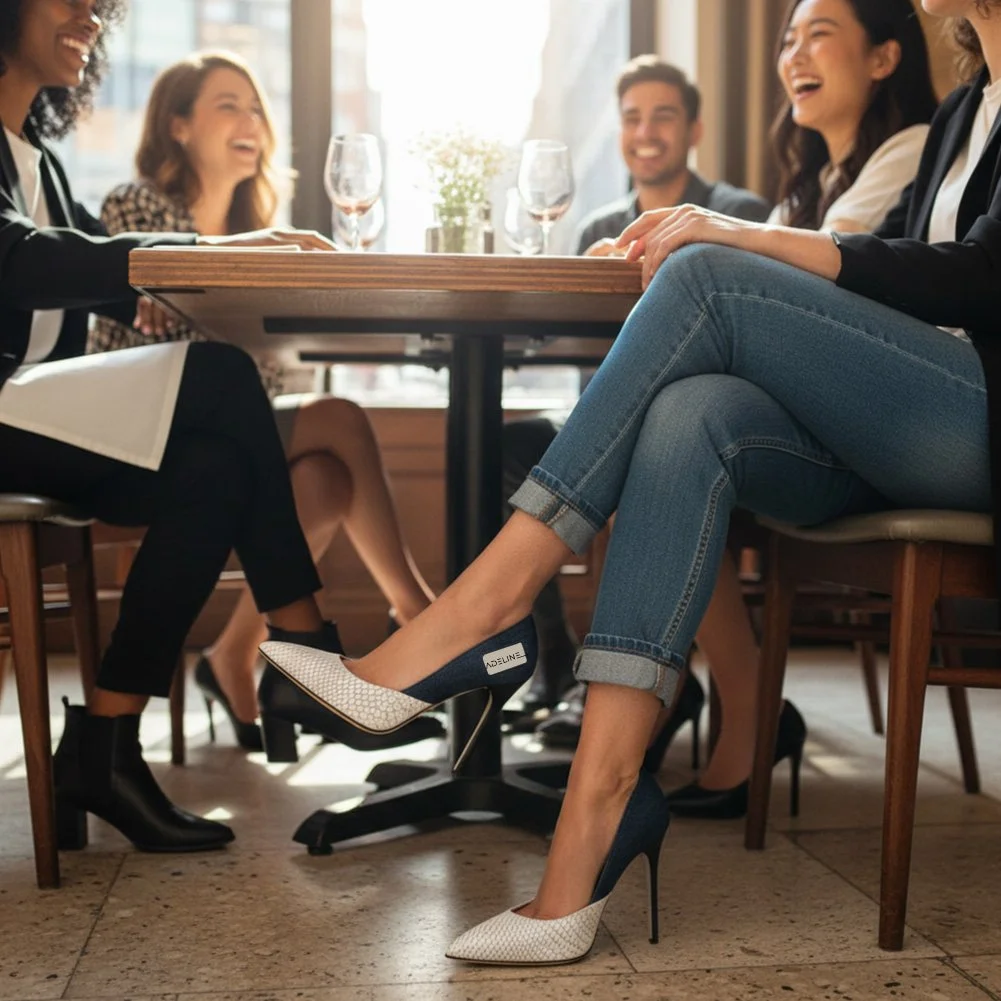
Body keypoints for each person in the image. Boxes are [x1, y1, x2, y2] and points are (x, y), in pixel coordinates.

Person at [261, 0, 1001, 966]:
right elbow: (885, 281)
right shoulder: (963, 108)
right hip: (888, 426)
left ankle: (478, 612)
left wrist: (744, 240)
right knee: (687, 414)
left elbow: (973, 278)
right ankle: (595, 818)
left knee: (703, 271)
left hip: (973, 425)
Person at [536, 1, 939, 794]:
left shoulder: (910, 153)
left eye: (818, 35)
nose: (793, 55)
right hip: (811, 417)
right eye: (787, 39)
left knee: (670, 414)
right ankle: (705, 714)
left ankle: (670, 692)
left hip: (879, 423)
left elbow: (796, 282)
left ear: (884, 57)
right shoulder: (807, 187)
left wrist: (702, 243)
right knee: (673, 425)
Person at [0, 0, 348, 853]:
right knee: (222, 377)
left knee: (213, 470)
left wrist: (167, 286)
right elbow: (17, 259)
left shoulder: (39, 160)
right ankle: (306, 654)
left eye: (99, 4)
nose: (89, 15)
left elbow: (98, 268)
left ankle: (105, 747)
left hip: (29, 417)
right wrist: (209, 254)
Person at [89, 50, 440, 762]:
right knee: (340, 418)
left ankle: (233, 653)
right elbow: (173, 351)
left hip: (228, 433)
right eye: (228, 106)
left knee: (326, 480)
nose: (249, 121)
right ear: (178, 125)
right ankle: (421, 618)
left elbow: (270, 379)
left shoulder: (266, 229)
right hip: (140, 427)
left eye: (255, 108)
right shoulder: (135, 206)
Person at [506, 57, 771, 722]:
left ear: (694, 129)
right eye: (632, 118)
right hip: (607, 416)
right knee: (507, 446)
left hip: (702, 424)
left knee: (640, 468)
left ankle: (651, 684)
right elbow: (560, 344)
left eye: (663, 116)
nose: (645, 132)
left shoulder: (738, 213)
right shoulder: (598, 228)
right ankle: (549, 657)